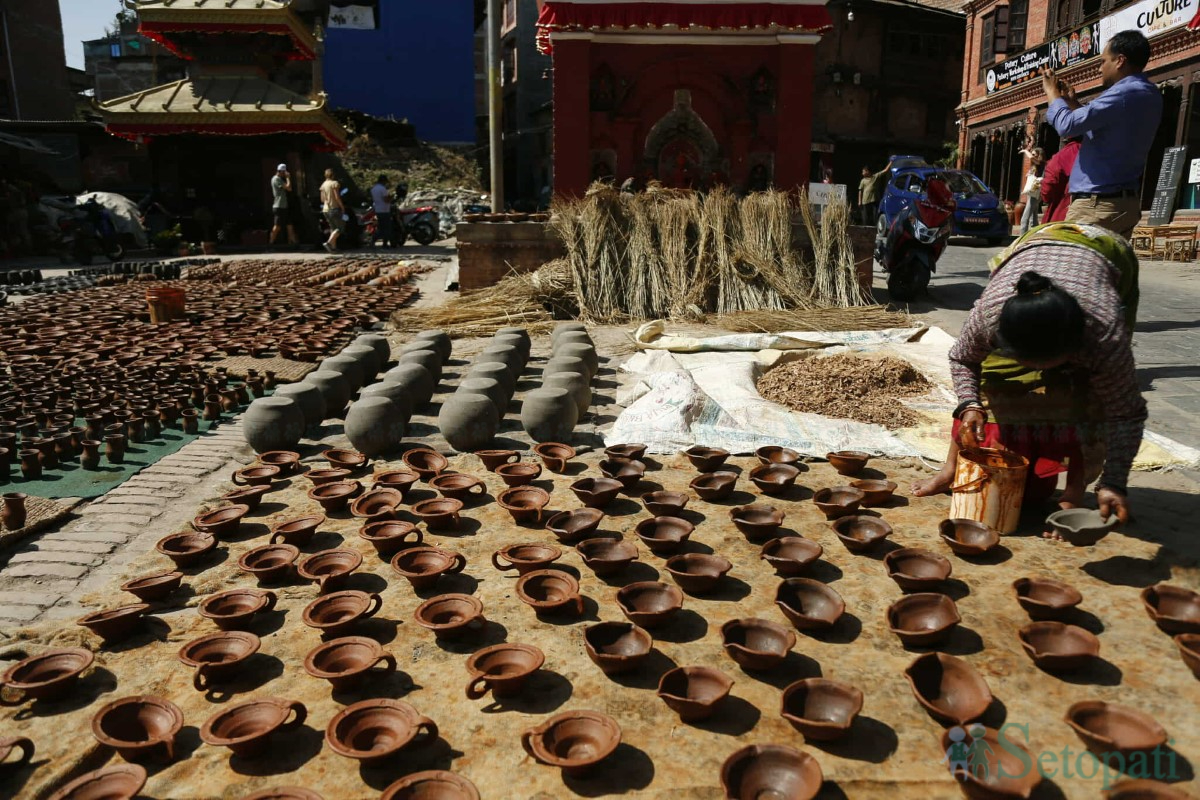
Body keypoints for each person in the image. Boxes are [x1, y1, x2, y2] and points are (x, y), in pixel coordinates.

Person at [913, 222, 1145, 534]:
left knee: (1090, 394)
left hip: (1107, 254)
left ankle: (1073, 495)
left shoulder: (1104, 336)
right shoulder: (990, 317)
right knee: (996, 383)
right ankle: (949, 470)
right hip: (1037, 246)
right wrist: (971, 404)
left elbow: (1125, 412)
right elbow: (962, 358)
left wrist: (1115, 481)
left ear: (1076, 347)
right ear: (1005, 341)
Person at [1041, 30, 1162, 239]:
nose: (1099, 68)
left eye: (1103, 61)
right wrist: (1072, 103)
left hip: (1097, 206)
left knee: (1074, 269)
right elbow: (1103, 129)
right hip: (1122, 204)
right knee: (1109, 270)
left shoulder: (1123, 93)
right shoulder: (1149, 93)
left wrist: (1052, 94)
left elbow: (1066, 125)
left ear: (1120, 61)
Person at [1040, 138, 1082, 224]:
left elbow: (1048, 188)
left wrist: (1045, 197)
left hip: (1064, 209)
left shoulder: (1063, 155)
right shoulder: (1100, 152)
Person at [1018, 148, 1045, 235]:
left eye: (1034, 155)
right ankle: (1036, 236)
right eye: (1032, 154)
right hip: (1032, 193)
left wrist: (1025, 151)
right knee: (1033, 219)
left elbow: (1031, 158)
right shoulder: (1035, 166)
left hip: (1035, 194)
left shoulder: (1041, 163)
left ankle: (1021, 240)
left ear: (1039, 155)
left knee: (1024, 219)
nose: (1032, 156)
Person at [319, 169, 346, 253]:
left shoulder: (323, 184)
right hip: (334, 208)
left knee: (333, 228)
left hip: (325, 209)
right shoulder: (334, 183)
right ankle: (329, 243)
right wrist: (342, 207)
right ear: (333, 175)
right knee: (340, 228)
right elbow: (337, 197)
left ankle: (333, 248)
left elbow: (322, 199)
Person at [269, 163, 297, 246]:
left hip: (284, 205)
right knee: (277, 226)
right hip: (279, 205)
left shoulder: (280, 179)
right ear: (280, 172)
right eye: (284, 172)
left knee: (289, 224)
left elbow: (290, 188)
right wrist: (288, 178)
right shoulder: (276, 179)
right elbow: (288, 188)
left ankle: (293, 242)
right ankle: (271, 242)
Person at [370, 174, 393, 248]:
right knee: (386, 228)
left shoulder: (374, 188)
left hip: (377, 209)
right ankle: (384, 244)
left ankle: (373, 240)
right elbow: (386, 200)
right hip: (385, 210)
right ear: (383, 181)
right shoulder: (382, 189)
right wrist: (391, 198)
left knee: (380, 227)